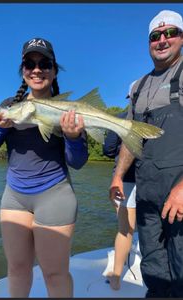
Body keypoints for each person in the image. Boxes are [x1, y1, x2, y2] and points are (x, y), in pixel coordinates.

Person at [0, 37, 89, 298]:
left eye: (44, 63)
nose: (37, 69)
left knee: (55, 273)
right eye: (30, 63)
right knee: (16, 268)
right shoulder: (9, 106)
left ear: (54, 69)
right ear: (23, 70)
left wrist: (72, 138)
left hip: (55, 195)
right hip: (14, 197)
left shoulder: (69, 111)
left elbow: (78, 162)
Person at [109, 10, 183, 298]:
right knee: (153, 265)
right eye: (155, 35)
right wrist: (117, 176)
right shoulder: (137, 87)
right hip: (147, 194)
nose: (162, 40)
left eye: (170, 33)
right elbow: (131, 137)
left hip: (178, 193)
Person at [103, 83, 136, 291]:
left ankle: (116, 275)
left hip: (122, 181)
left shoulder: (120, 117)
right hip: (146, 180)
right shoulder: (158, 116)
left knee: (124, 229)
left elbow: (108, 149)